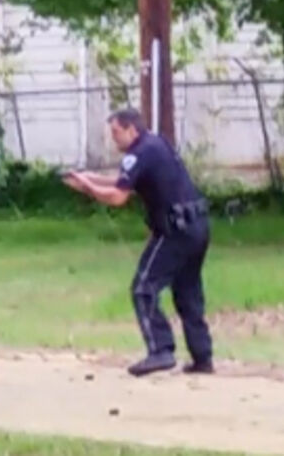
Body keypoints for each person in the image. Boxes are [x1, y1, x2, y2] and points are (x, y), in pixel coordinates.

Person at [64, 108, 214, 377]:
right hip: (197, 226)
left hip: (175, 231)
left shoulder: (137, 154)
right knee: (188, 291)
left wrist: (88, 189)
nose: (114, 139)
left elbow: (118, 197)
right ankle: (202, 358)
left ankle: (161, 350)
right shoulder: (155, 145)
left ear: (131, 129)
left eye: (116, 133)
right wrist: (87, 177)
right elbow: (122, 182)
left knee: (143, 288)